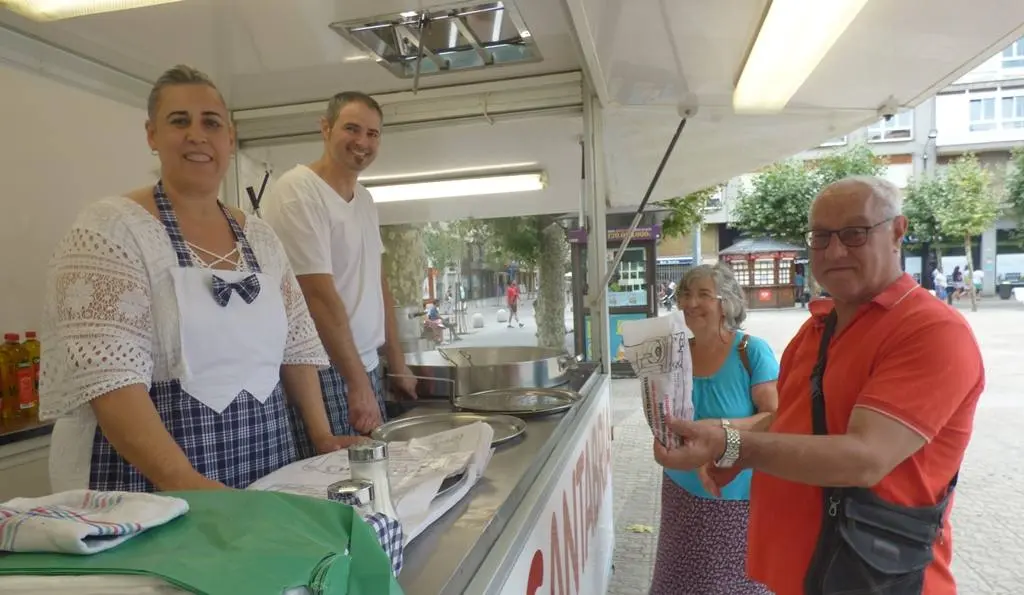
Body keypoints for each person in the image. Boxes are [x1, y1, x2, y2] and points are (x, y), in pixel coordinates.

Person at [654, 176, 984, 595]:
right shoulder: (818, 329)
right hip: (803, 574)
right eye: (821, 236)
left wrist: (731, 445)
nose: (835, 250)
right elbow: (788, 419)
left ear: (897, 232)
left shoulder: (930, 330)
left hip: (875, 578)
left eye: (854, 233)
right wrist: (726, 439)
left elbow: (864, 458)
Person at [38, 65, 360, 493]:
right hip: (152, 477)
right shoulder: (112, 230)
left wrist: (321, 436)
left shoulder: (260, 238)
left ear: (230, 136)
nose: (196, 135)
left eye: (211, 122)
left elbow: (296, 347)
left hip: (266, 457)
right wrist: (188, 483)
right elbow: (110, 385)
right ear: (152, 135)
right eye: (179, 121)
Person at [261, 91, 417, 456]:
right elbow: (317, 296)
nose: (362, 142)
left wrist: (396, 361)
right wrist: (356, 383)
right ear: (326, 128)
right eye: (352, 129)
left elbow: (378, 280)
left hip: (363, 365)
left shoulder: (363, 199)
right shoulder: (298, 192)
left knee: (372, 478)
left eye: (373, 134)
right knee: (337, 483)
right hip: (323, 370)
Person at [649, 264, 777, 595]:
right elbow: (664, 415)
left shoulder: (751, 351)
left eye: (703, 295)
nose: (691, 303)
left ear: (727, 303)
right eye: (685, 295)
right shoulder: (674, 355)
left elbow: (775, 416)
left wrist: (718, 430)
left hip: (735, 498)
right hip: (681, 492)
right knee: (678, 582)